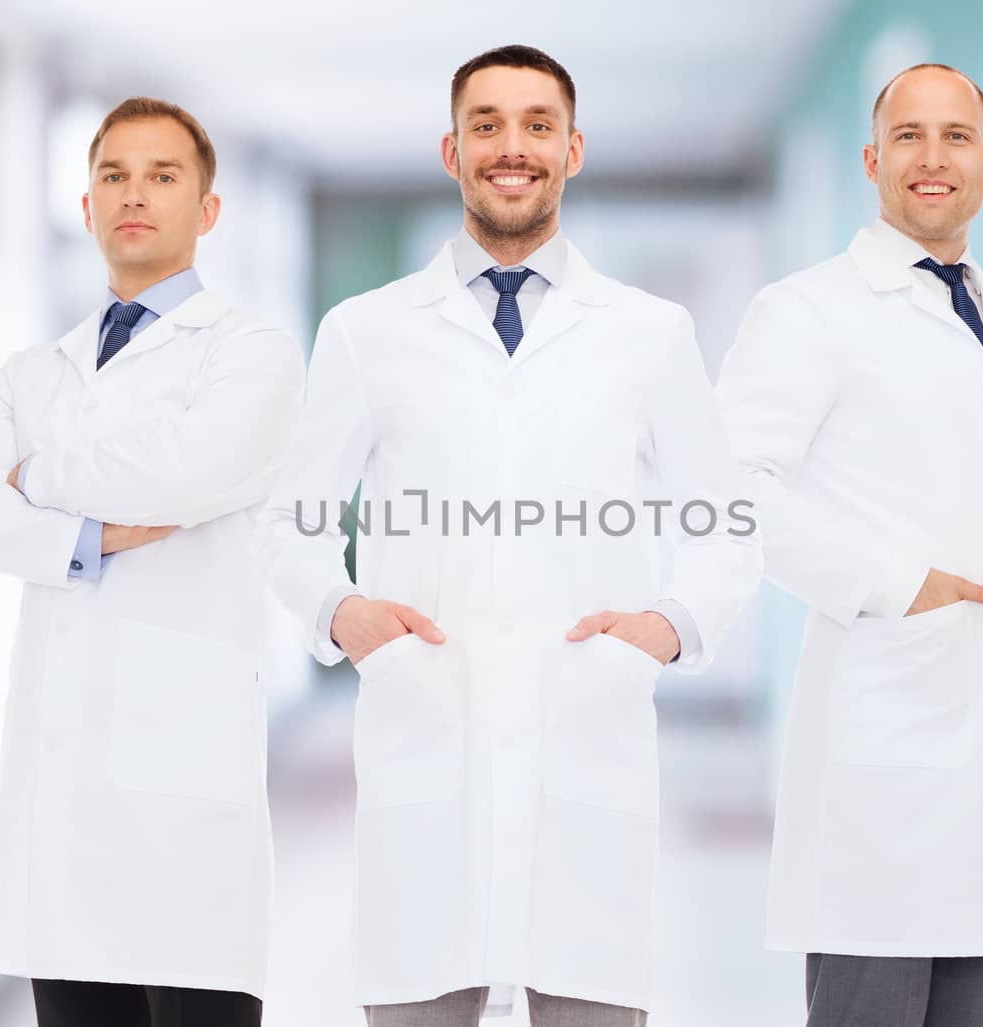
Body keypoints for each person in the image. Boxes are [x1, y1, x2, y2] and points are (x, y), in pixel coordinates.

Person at [258, 44, 761, 1027]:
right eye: (486, 124)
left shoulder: (648, 333)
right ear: (452, 150)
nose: (511, 146)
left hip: (587, 744)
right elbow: (290, 522)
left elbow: (725, 525)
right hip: (425, 740)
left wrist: (661, 629)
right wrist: (343, 611)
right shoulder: (366, 332)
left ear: (571, 149)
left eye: (536, 124)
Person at [715, 64, 983, 1027]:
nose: (934, 157)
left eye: (958, 136)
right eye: (911, 135)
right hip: (878, 763)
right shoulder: (808, 311)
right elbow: (730, 491)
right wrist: (900, 585)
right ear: (873, 158)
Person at [0, 96, 303, 1027]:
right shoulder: (33, 371)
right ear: (87, 206)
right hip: (64, 812)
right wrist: (85, 538)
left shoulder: (251, 351)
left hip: (184, 790)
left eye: (163, 176)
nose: (134, 195)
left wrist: (34, 478)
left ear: (206, 210)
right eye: (112, 176)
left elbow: (190, 468)